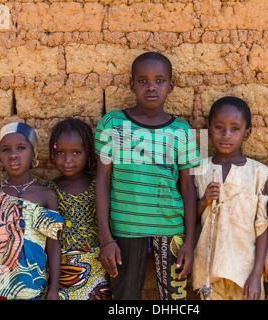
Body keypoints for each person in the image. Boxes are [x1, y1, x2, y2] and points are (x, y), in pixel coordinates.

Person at [95, 52, 200, 300]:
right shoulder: (112, 124)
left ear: (170, 86)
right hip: (124, 230)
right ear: (132, 84)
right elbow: (101, 183)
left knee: (175, 302)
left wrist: (189, 242)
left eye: (159, 80)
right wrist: (105, 238)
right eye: (142, 81)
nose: (151, 87)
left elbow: (189, 187)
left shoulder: (182, 130)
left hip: (171, 229)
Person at [193, 96, 268, 300]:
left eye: (235, 129)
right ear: (209, 130)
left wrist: (256, 274)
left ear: (247, 133)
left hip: (244, 273)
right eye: (219, 127)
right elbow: (188, 218)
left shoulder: (258, 174)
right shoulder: (200, 171)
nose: (226, 135)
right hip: (209, 272)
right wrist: (203, 202)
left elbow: (262, 228)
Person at [0, 122, 64, 300]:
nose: (13, 155)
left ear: (34, 153)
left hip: (35, 292)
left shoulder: (46, 196)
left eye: (21, 148)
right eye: (6, 149)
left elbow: (53, 245)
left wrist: (54, 288)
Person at [47, 118, 110, 300]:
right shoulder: (49, 190)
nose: (68, 160)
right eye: (60, 153)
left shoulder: (98, 186)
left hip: (98, 268)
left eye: (76, 152)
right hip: (62, 271)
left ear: (88, 152)